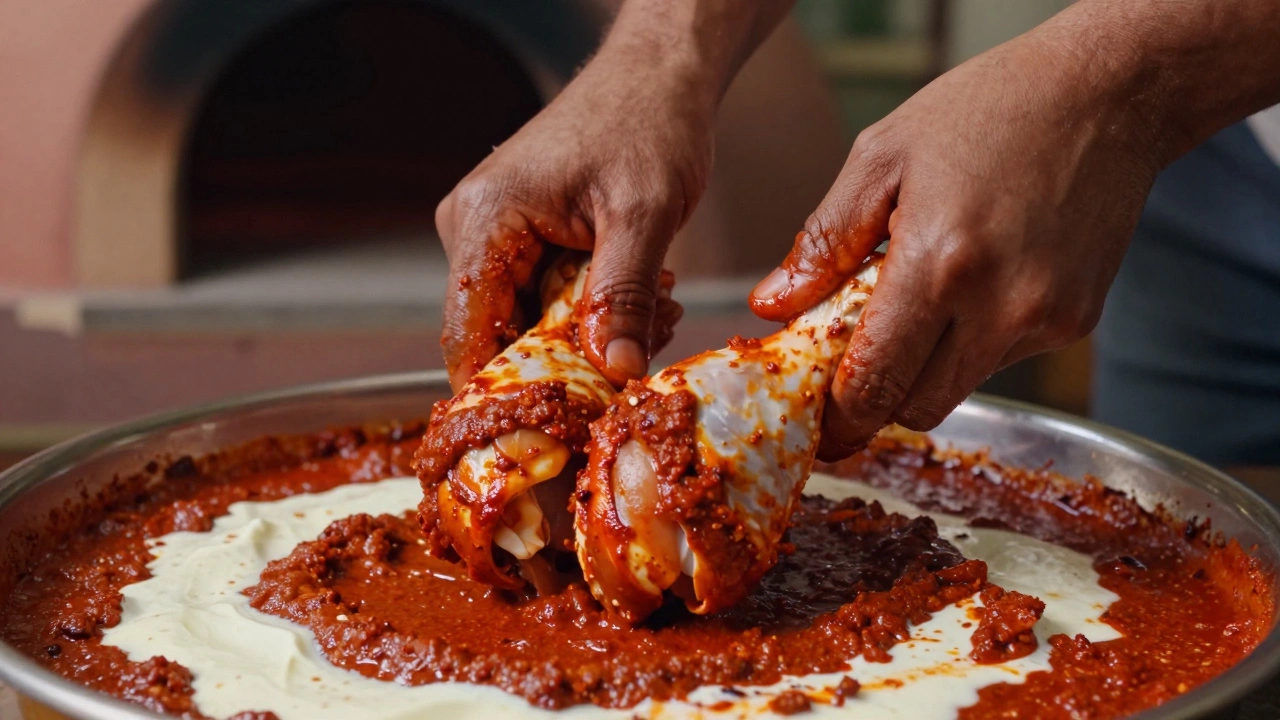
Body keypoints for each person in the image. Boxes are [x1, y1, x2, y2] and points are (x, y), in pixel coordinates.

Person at [434, 0, 1280, 465]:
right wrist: (660, 52)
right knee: (1190, 558)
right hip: (1216, 175)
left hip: (1190, 90)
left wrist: (1130, 81)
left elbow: (1134, 75)